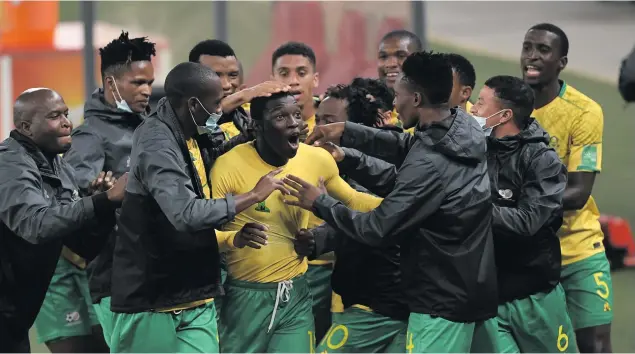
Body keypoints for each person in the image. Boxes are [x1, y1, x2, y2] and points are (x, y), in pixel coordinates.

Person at [285, 51, 499, 353]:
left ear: (415, 99)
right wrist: (348, 144)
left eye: (398, 96)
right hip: (468, 286)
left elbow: (377, 228)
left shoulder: (430, 163)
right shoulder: (458, 128)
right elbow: (407, 147)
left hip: (440, 302)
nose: (394, 105)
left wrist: (321, 203)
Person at [109, 62, 288, 353]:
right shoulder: (156, 141)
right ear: (193, 104)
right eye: (216, 103)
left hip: (195, 293)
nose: (221, 109)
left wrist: (247, 138)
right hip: (152, 300)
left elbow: (204, 164)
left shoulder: (189, 131)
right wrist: (253, 196)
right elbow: (185, 214)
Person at [210, 91, 382, 353]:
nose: (295, 124)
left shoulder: (316, 159)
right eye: (280, 116)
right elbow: (204, 234)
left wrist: (404, 208)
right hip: (244, 299)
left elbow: (354, 200)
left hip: (296, 295)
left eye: (297, 115)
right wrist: (235, 237)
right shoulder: (227, 167)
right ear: (256, 126)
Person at [0, 88, 126, 352]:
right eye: (55, 116)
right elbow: (35, 225)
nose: (68, 122)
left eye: (66, 114)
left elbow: (82, 245)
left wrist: (102, 205)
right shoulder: (10, 165)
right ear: (26, 127)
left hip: (16, 313)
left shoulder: (58, 167)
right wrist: (99, 201)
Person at [521, 23, 612, 353]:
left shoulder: (585, 112)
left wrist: (518, 207)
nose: (532, 56)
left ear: (562, 62)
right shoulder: (505, 106)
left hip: (577, 247)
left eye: (543, 50)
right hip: (524, 253)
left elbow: (578, 193)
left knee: (595, 344)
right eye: (527, 47)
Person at [61, 32, 155, 349]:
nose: (146, 91)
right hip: (116, 275)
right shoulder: (90, 136)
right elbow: (74, 197)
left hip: (157, 269)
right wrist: (96, 193)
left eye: (149, 82)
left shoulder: (151, 124)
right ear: (111, 84)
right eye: (138, 83)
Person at [471, 75, 576, 352]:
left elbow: (529, 221)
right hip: (489, 299)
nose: (473, 109)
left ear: (504, 115)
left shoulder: (542, 161)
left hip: (535, 297)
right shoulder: (474, 150)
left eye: (480, 104)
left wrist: (472, 207)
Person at [306, 82, 407, 353]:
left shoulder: (382, 166)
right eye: (317, 120)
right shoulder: (339, 163)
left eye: (329, 123)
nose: (318, 131)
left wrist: (321, 211)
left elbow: (369, 221)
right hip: (376, 301)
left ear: (352, 128)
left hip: (379, 303)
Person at [189, 39, 289, 140]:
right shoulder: (178, 119)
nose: (226, 85)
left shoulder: (248, 119)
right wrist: (242, 96)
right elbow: (201, 133)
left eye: (233, 75)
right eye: (215, 75)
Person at [271, 41, 320, 138]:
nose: (293, 81)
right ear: (273, 80)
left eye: (301, 73)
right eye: (284, 74)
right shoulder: (256, 121)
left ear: (315, 80)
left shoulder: (332, 120)